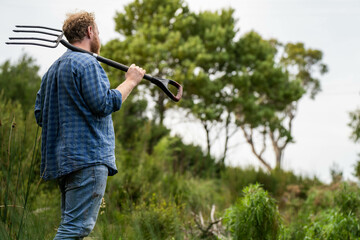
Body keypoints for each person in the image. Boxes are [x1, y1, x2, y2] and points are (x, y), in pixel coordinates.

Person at [34, 11, 145, 239]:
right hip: (88, 158)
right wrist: (131, 81)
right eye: (99, 31)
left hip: (62, 162)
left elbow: (40, 115)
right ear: (90, 31)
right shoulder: (87, 63)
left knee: (72, 226)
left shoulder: (51, 72)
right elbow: (105, 103)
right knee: (76, 229)